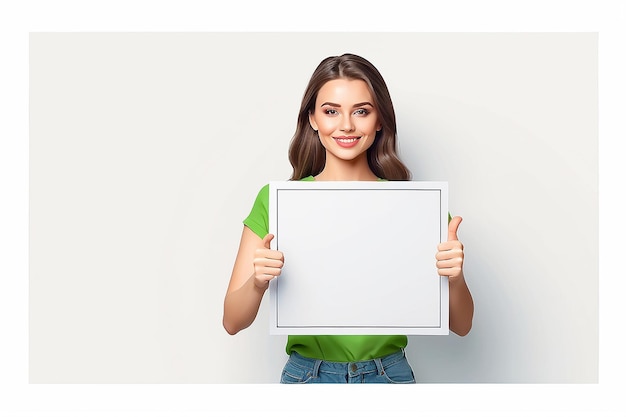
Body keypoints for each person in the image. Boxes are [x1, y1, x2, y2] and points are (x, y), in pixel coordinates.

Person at [223, 53, 474, 383]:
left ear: (380, 120)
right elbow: (232, 321)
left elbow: (462, 325)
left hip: (389, 375)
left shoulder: (416, 206)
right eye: (331, 111)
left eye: (362, 111)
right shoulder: (276, 201)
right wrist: (257, 282)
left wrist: (454, 277)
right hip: (308, 377)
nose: (346, 125)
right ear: (312, 118)